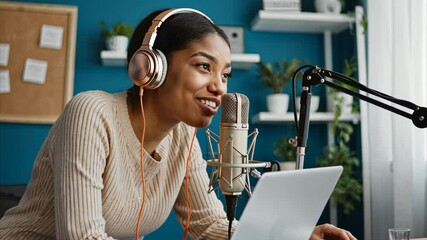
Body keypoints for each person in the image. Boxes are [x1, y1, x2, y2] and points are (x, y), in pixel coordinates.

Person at [0, 8, 357, 240]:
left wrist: (294, 236)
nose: (220, 86)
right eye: (204, 66)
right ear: (152, 67)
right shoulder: (91, 113)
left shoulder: (184, 135)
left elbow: (208, 226)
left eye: (226, 74)